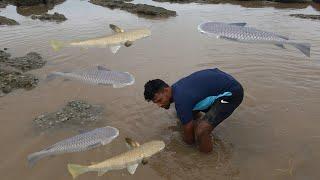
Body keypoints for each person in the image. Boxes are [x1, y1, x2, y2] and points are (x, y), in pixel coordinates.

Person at [144, 68, 243, 153]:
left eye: (160, 100)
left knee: (201, 131)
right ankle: (201, 124)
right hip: (223, 82)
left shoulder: (181, 100)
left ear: (166, 90)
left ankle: (208, 160)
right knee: (184, 115)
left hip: (232, 94)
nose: (159, 105)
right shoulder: (177, 89)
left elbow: (189, 141)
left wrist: (185, 149)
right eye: (155, 103)